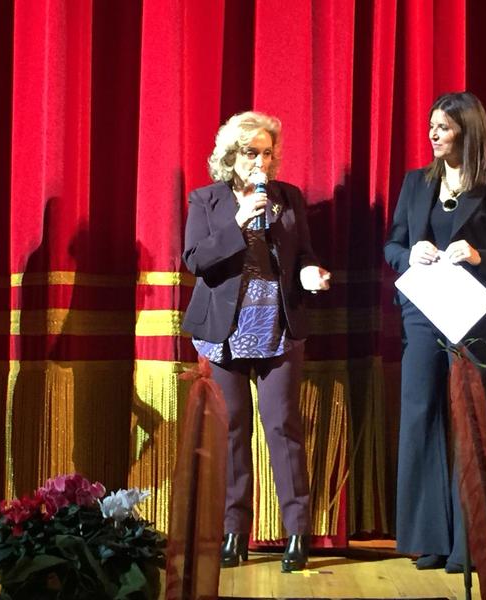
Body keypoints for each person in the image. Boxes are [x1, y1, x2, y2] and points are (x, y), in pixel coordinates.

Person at [182, 111, 330, 573]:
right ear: (231, 156)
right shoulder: (206, 199)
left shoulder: (288, 198)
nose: (261, 162)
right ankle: (233, 532)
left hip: (277, 327)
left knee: (283, 427)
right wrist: (241, 220)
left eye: (268, 153)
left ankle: (297, 533)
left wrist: (310, 270)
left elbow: (302, 250)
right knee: (232, 430)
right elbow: (195, 260)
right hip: (225, 331)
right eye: (252, 153)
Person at [384, 91, 486, 573]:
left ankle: (471, 544)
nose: (433, 135)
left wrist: (481, 257)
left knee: (470, 416)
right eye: (431, 127)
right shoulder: (416, 183)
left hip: (471, 314)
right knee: (421, 413)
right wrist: (410, 254)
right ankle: (431, 540)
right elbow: (393, 244)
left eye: (442, 127)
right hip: (423, 311)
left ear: (467, 130)